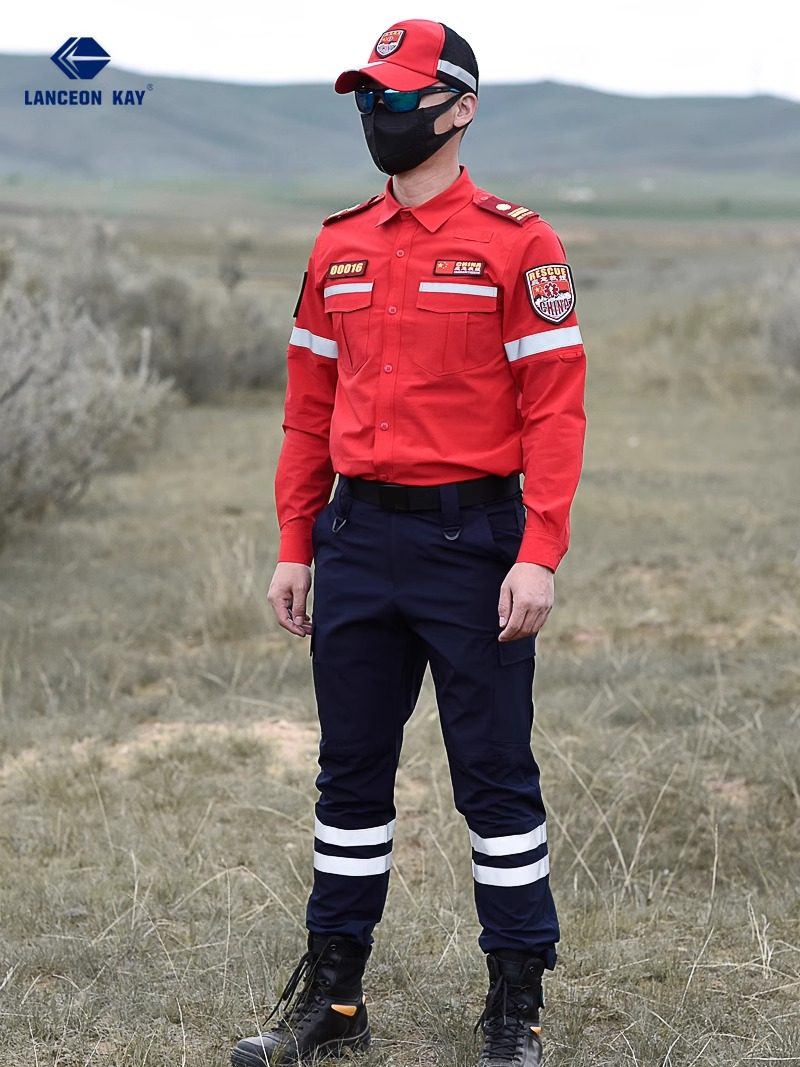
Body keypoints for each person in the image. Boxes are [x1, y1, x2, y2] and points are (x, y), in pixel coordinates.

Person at [232, 18, 586, 1067]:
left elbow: (554, 412)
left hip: (473, 542)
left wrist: (538, 550)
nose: (377, 113)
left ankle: (514, 1007)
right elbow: (307, 407)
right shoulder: (337, 243)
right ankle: (334, 1003)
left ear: (459, 107)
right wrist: (295, 540)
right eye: (366, 97)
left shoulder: (519, 242)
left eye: (394, 95)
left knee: (494, 778)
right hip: (353, 538)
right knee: (348, 777)